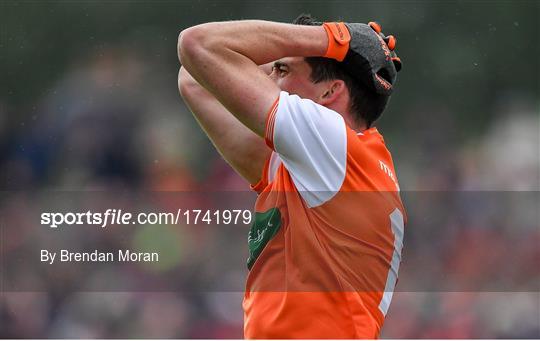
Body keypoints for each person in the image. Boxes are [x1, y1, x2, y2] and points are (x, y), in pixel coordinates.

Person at [178, 14, 406, 338]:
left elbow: (197, 45)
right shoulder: (330, 163)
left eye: (281, 71)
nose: (267, 79)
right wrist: (313, 47)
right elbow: (195, 78)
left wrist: (332, 40)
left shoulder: (332, 142)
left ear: (329, 93)